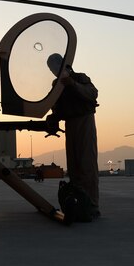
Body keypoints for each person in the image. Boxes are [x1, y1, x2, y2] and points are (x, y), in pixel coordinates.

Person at [46, 53, 100, 220]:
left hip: (84, 121)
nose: (54, 71)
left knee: (87, 164)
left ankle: (92, 206)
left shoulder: (80, 78)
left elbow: (92, 94)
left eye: (56, 66)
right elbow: (55, 106)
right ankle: (79, 203)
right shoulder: (56, 85)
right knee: (74, 166)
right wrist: (52, 118)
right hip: (70, 124)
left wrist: (73, 84)